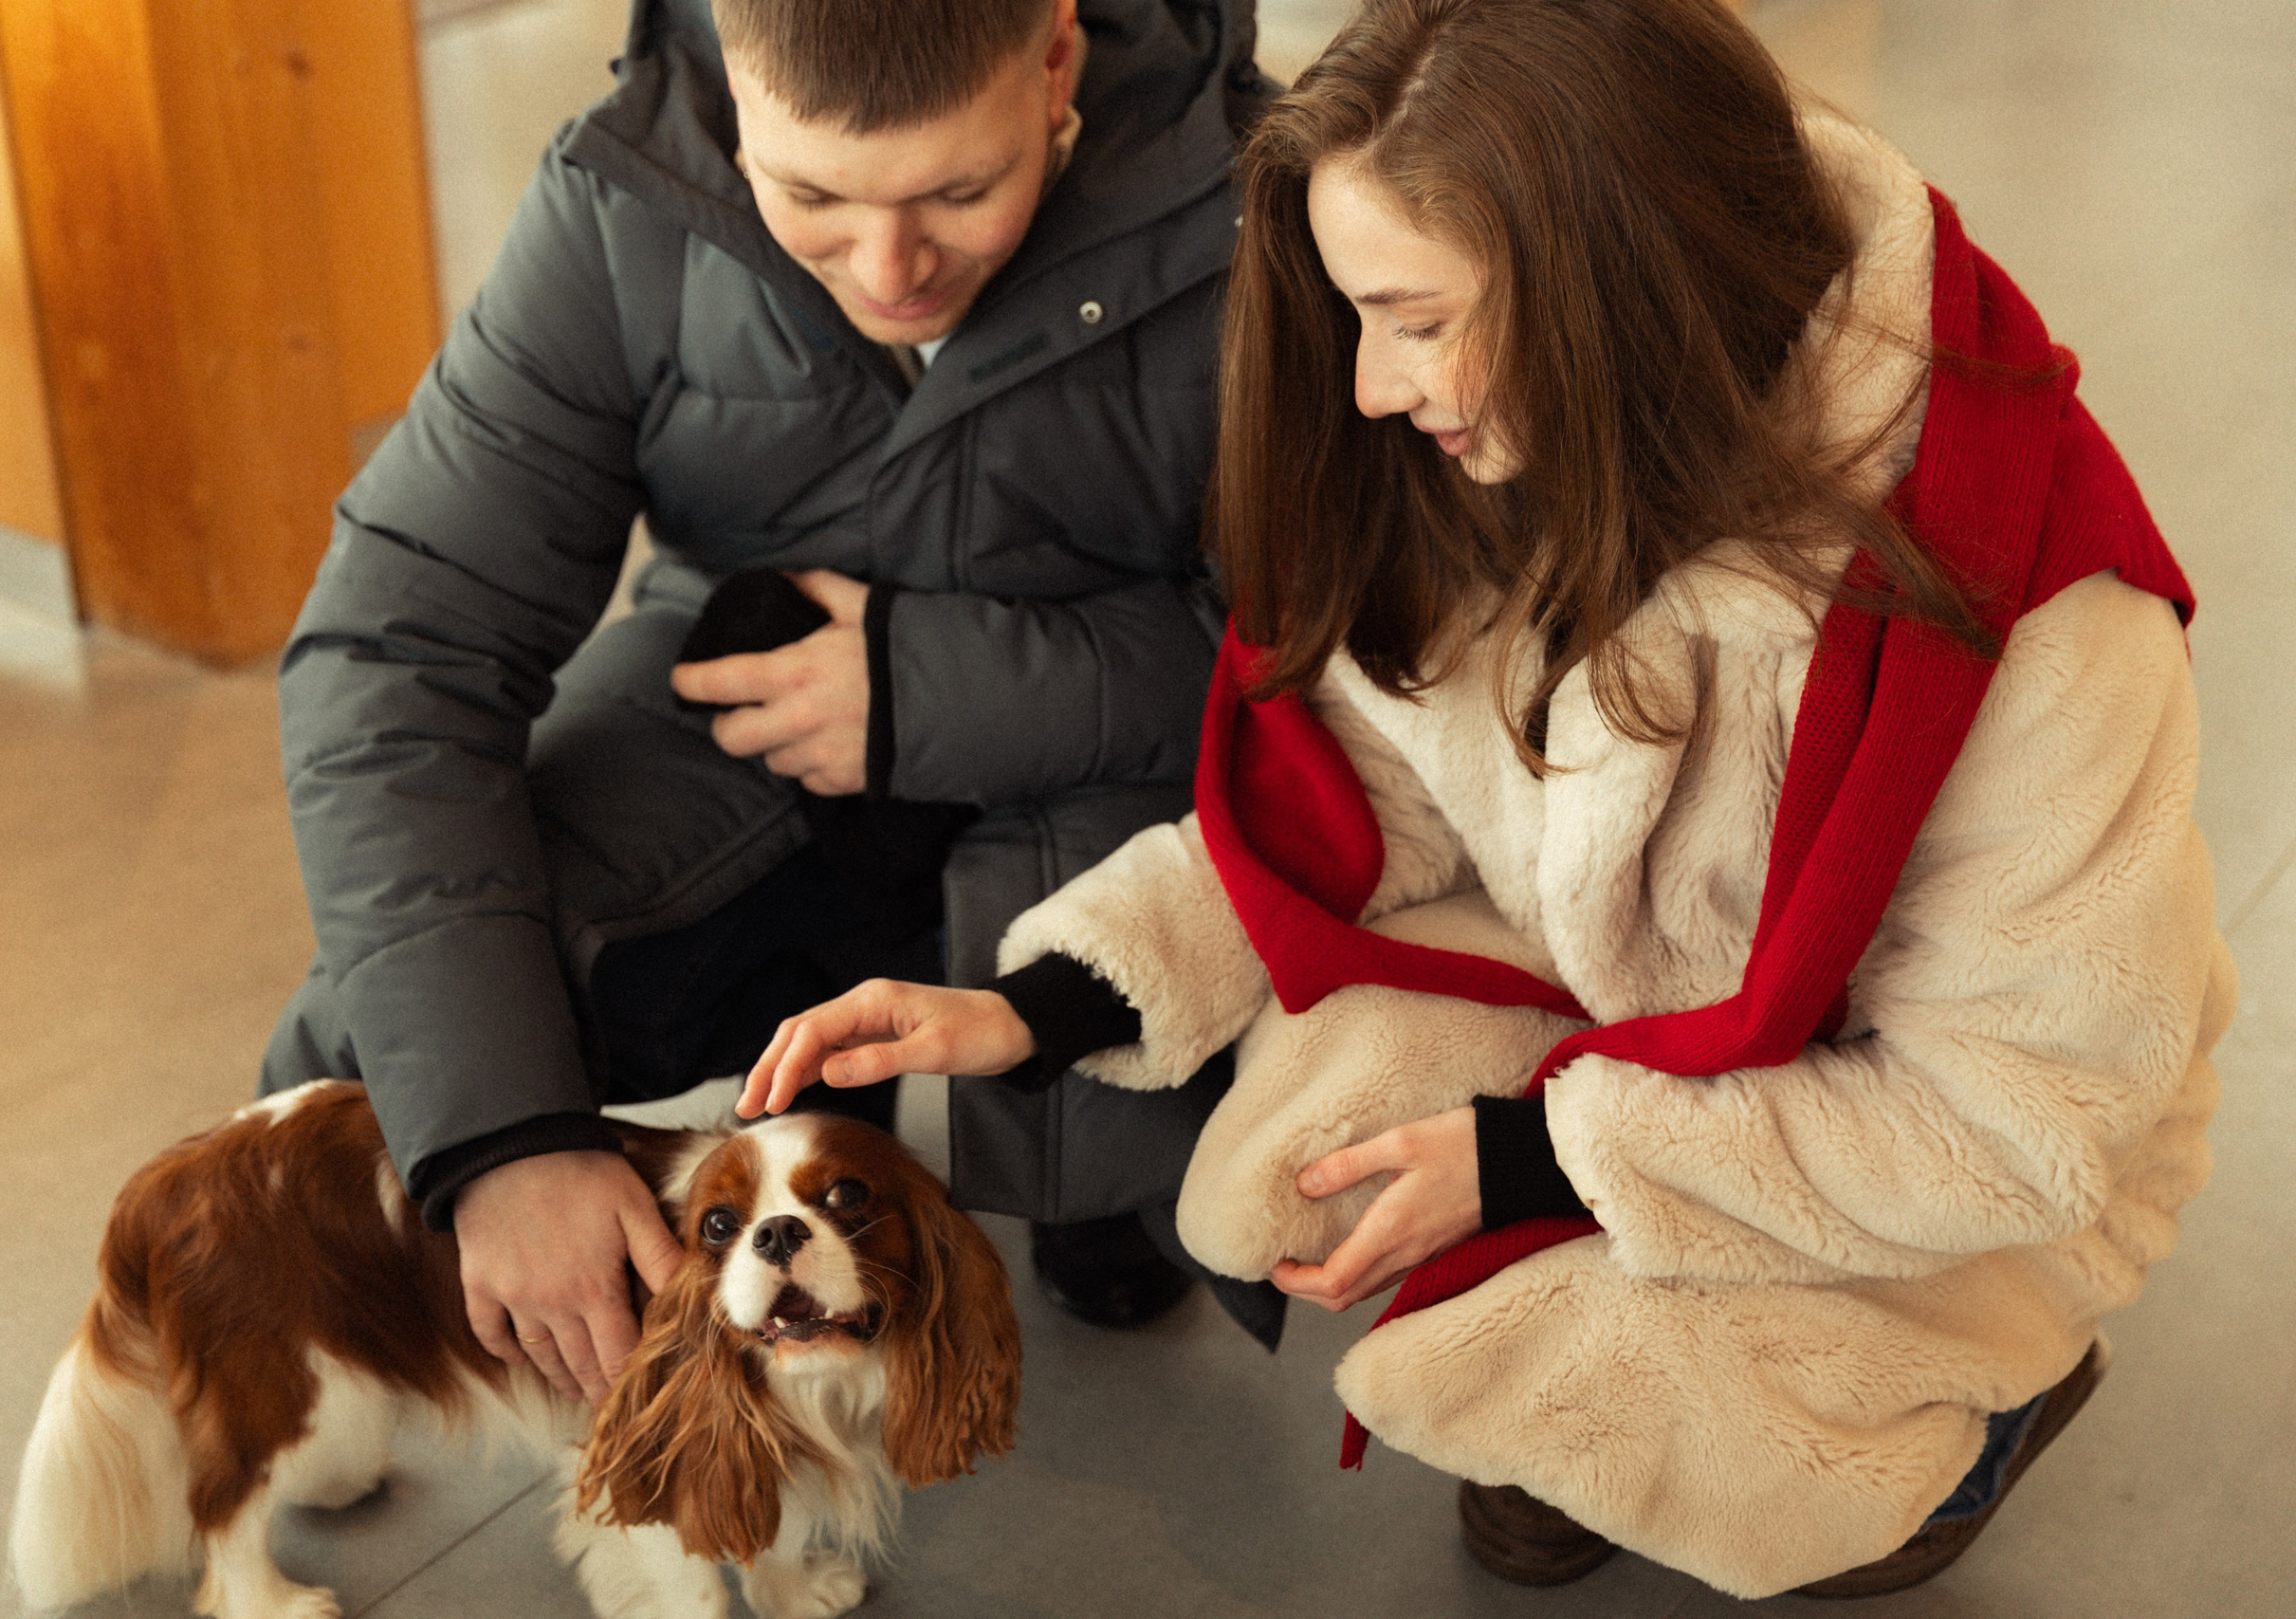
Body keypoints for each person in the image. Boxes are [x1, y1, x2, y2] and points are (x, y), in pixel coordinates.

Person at [736, 0, 2233, 1599]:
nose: (1375, 387)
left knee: (1749, 1467)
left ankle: (1976, 1415)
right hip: (1660, 1022)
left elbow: (2018, 1118)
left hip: (1953, 1155)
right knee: (1293, 1151)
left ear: (1609, 300)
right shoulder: (1501, 454)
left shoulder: (2037, 600)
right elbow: (1372, 788)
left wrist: (1537, 1163)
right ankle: (1594, 1374)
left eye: (1414, 318)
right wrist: (1029, 1004)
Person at [263, 0, 1279, 1409]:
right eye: (809, 195)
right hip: (742, 716)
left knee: (1219, 1078)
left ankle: (1089, 1181)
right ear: (735, 97)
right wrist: (500, 1132)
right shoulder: (625, 195)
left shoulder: (1267, 206)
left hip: (1111, 777)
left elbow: (1360, 663)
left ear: (1056, 62)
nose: (890, 270)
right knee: (383, 1044)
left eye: (960, 191)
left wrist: (930, 691)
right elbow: (398, 644)